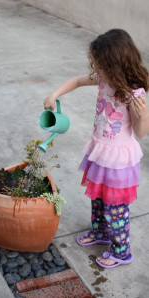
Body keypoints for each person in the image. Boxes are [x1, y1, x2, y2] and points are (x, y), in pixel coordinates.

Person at [43, 29, 149, 268]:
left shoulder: (131, 94)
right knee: (98, 199)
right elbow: (78, 80)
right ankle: (100, 232)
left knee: (116, 209)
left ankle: (122, 251)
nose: (95, 70)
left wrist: (144, 117)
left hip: (118, 160)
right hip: (101, 153)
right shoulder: (104, 78)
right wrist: (54, 94)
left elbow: (141, 133)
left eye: (99, 65)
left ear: (114, 64)